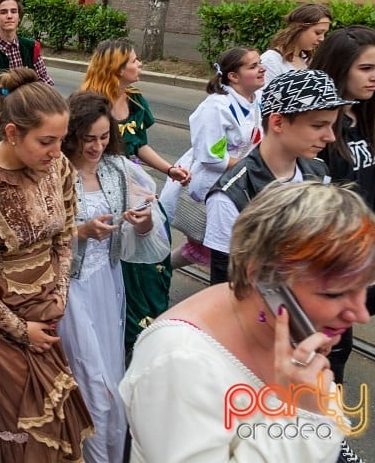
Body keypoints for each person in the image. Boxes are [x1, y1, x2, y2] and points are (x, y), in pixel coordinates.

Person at [121, 181, 375, 463]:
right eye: (334, 293)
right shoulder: (179, 362)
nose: (361, 315)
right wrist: (303, 416)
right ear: (263, 278)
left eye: (363, 288)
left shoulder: (290, 331)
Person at [0, 68, 93, 462]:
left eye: (61, 140)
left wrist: (59, 294)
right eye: (46, 141)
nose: (58, 152)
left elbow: (64, 237)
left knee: (54, 415)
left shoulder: (57, 167)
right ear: (12, 134)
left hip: (43, 309)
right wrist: (20, 330)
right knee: (19, 425)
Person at [59, 92, 157, 463]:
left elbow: (142, 237)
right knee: (91, 382)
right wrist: (79, 233)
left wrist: (144, 221)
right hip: (71, 289)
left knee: (112, 379)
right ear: (72, 135)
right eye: (89, 138)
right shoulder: (55, 172)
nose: (97, 146)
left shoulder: (118, 170)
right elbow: (37, 237)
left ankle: (112, 453)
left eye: (103, 137)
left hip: (110, 285)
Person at [79, 38, 188, 350]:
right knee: (121, 261)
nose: (140, 65)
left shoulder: (136, 100)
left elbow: (140, 145)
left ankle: (152, 326)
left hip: (140, 189)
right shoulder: (89, 104)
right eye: (135, 60)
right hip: (106, 190)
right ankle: (123, 332)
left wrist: (169, 170)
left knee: (155, 256)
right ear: (116, 67)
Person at [204, 69, 351, 285]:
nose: (330, 137)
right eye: (318, 125)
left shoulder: (318, 171)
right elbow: (227, 286)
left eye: (332, 125)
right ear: (278, 123)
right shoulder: (231, 196)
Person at [310, 25, 375, 385]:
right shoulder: (320, 126)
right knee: (330, 361)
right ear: (340, 68)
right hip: (328, 261)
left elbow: (374, 186)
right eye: (366, 69)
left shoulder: (365, 117)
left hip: (359, 253)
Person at [160, 48, 264, 268]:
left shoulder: (256, 99)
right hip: (210, 185)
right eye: (253, 66)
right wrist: (255, 168)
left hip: (238, 181)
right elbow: (211, 157)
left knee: (213, 247)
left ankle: (158, 272)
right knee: (216, 247)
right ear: (233, 76)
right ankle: (156, 274)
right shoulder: (216, 107)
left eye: (260, 63)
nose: (262, 69)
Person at [0, 0, 54, 152]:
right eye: (3, 12)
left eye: (13, 11)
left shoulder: (31, 48)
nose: (9, 16)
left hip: (29, 124)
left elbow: (46, 85)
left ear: (19, 17)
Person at [260, 3, 331, 86]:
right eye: (318, 32)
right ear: (299, 29)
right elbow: (263, 96)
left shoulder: (307, 59)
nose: (322, 38)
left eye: (324, 33)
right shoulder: (270, 60)